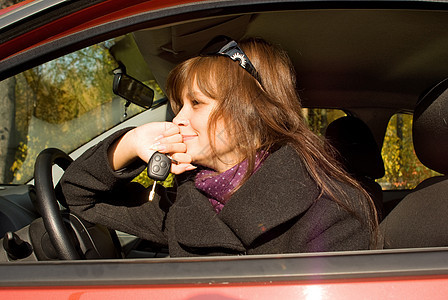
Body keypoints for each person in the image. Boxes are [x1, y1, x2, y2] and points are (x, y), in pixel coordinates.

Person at [57, 36, 378, 257]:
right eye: (178, 105)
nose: (178, 119)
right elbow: (78, 197)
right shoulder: (185, 203)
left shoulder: (335, 209)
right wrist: (130, 142)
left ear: (255, 110)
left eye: (196, 103)